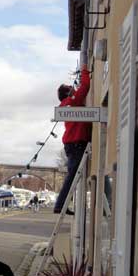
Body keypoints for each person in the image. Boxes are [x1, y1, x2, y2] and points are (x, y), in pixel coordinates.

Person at [54, 64, 91, 215]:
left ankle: (60, 204)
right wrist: (85, 71)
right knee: (72, 175)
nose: (74, 88)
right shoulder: (72, 101)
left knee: (74, 175)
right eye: (71, 87)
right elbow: (86, 86)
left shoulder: (67, 105)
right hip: (76, 143)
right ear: (68, 93)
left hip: (73, 143)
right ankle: (60, 205)